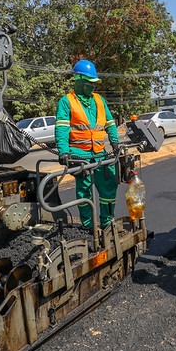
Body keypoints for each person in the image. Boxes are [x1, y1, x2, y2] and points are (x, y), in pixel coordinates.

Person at [55, 59, 120, 229]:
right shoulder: (66, 101)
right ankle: (89, 225)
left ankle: (107, 222)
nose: (93, 86)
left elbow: (110, 123)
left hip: (100, 152)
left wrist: (115, 142)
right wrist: (63, 152)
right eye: (90, 83)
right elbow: (62, 129)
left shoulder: (99, 100)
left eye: (94, 83)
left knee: (109, 184)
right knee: (84, 191)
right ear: (79, 80)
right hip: (79, 153)